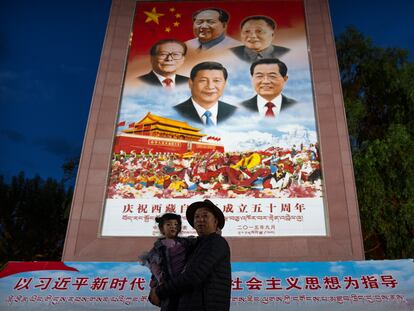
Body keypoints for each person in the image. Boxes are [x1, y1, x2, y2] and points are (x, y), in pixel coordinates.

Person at [150, 199, 231, 311]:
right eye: (196, 217)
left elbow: (193, 276)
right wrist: (155, 286)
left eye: (205, 216)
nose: (200, 220)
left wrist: (160, 292)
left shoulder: (216, 242)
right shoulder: (195, 244)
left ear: (215, 221)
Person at [141, 213, 194, 311]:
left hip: (183, 284)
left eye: (176, 224)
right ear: (162, 229)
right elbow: (155, 267)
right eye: (169, 224)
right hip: (167, 285)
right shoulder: (158, 247)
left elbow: (200, 243)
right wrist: (161, 282)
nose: (173, 227)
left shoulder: (186, 243)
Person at [173, 61, 237, 126]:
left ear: (225, 84)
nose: (210, 86)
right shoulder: (175, 112)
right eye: (203, 80)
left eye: (216, 81)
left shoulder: (234, 112)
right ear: (191, 83)